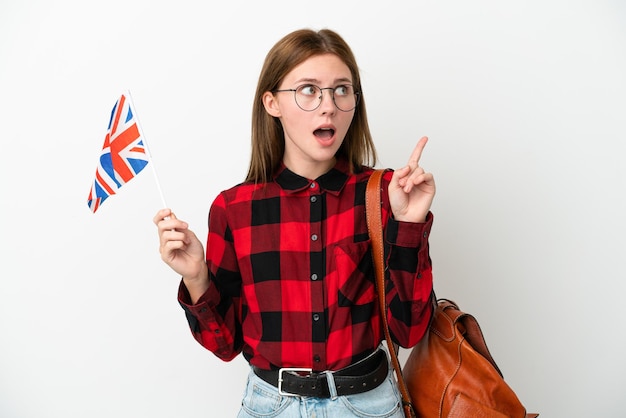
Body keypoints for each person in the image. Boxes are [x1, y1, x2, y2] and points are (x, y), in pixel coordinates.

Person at [153, 28, 436, 418]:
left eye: (341, 89)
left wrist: (409, 224)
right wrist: (197, 279)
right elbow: (225, 344)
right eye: (308, 89)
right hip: (271, 406)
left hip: (368, 405)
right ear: (272, 103)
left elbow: (410, 331)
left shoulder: (385, 194)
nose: (329, 106)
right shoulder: (234, 208)